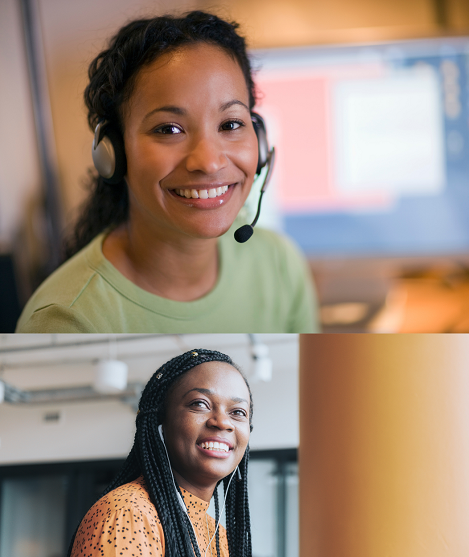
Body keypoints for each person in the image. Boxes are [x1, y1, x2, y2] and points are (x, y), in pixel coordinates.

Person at [42, 349, 365, 557]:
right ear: (160, 424)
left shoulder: (215, 534)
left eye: (238, 412)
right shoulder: (128, 515)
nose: (222, 421)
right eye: (199, 404)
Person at [16, 12, 319, 334]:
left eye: (231, 124)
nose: (209, 162)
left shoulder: (279, 265)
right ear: (113, 153)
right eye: (169, 129)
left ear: (259, 141)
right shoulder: (66, 321)